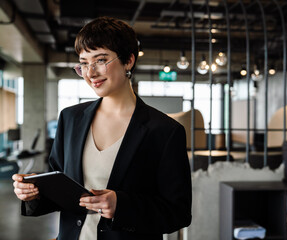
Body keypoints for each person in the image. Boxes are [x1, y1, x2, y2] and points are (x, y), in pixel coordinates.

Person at [12, 16, 192, 240]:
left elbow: (178, 213)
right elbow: (61, 191)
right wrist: (33, 193)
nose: (90, 73)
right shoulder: (70, 118)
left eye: (100, 60)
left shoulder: (164, 130)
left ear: (128, 61)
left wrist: (121, 205)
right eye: (84, 63)